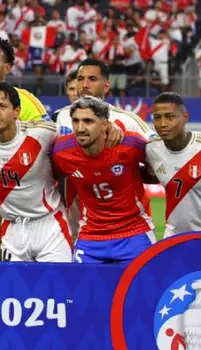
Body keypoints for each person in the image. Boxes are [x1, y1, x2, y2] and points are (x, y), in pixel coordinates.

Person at [0, 83, 71, 262]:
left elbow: (81, 136)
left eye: (2, 106)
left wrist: (111, 130)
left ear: (17, 111)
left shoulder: (42, 133)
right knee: (14, 290)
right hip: (12, 230)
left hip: (50, 227)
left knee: (59, 287)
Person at [51, 97, 155, 264]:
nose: (80, 128)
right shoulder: (62, 151)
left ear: (105, 125)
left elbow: (156, 172)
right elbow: (54, 177)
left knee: (142, 288)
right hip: (91, 236)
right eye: (76, 121)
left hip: (135, 233)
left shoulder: (131, 144)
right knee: (80, 288)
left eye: (88, 121)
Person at [146, 93, 201, 236]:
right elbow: (152, 175)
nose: (163, 124)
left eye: (170, 117)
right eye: (157, 118)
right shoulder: (151, 148)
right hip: (173, 236)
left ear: (185, 117)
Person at [59, 58, 155, 139]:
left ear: (106, 86)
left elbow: (155, 145)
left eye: (92, 79)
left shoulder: (128, 120)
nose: (84, 85)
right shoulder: (60, 116)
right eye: (80, 79)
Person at [51, 70, 80, 135]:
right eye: (72, 89)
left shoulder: (104, 114)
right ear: (67, 91)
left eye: (79, 89)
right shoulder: (57, 115)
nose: (75, 93)